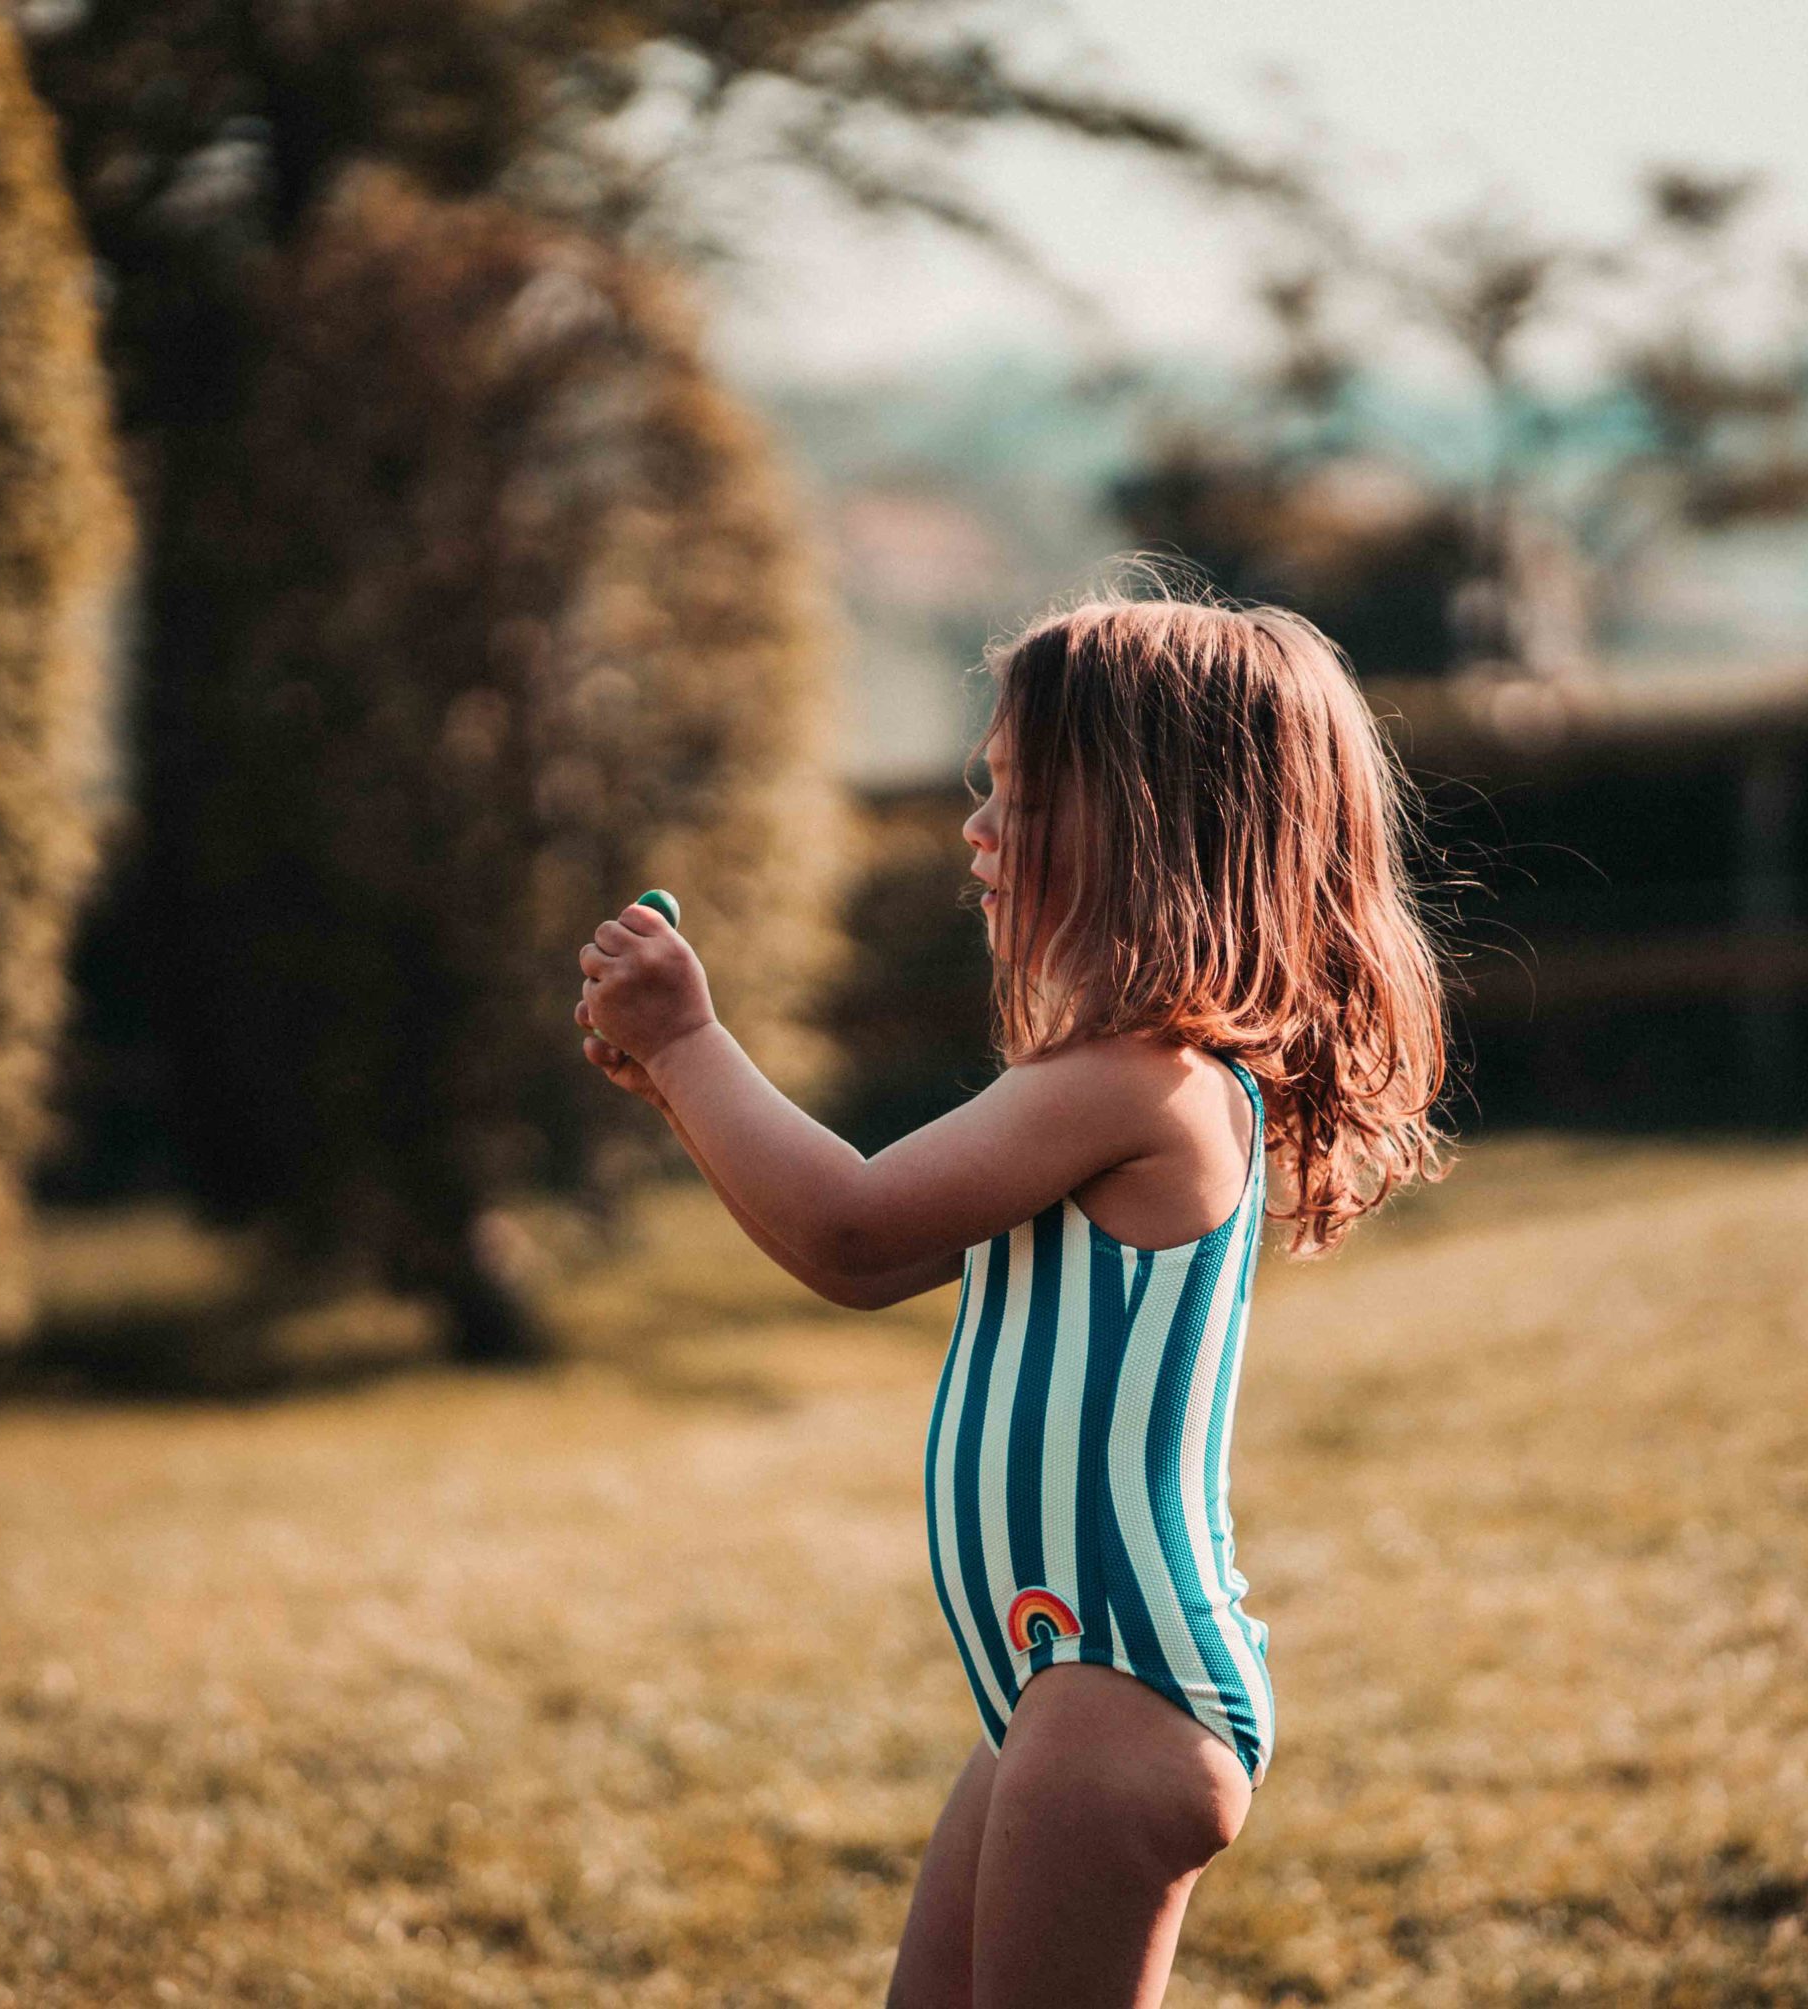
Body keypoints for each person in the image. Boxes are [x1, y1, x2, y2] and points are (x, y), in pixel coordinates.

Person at [575, 589, 1457, 2009]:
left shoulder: (1136, 1087)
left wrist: (689, 1044)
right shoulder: (1109, 1084)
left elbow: (852, 1233)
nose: (978, 826)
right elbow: (855, 1242)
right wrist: (686, 1091)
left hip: (1116, 1692)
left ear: (1159, 835)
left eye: (1026, 795)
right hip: (1058, 1687)